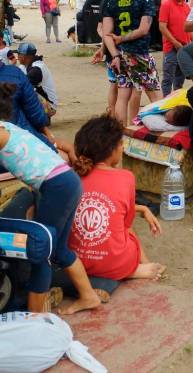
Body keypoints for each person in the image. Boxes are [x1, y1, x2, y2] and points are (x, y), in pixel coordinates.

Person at [0, 82, 105, 313]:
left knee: (41, 249)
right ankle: (88, 296)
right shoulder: (8, 128)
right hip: (67, 182)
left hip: (56, 186)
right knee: (57, 249)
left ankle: (37, 318)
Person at [69, 115, 166, 281]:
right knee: (125, 228)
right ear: (112, 149)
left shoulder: (72, 176)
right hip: (114, 264)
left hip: (75, 263)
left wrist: (142, 208)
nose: (123, 148)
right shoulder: (126, 177)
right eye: (121, 143)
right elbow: (124, 223)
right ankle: (138, 268)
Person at [102, 0, 162, 125]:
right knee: (156, 96)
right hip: (139, 54)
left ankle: (122, 134)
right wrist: (122, 38)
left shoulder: (113, 0)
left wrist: (114, 52)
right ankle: (158, 130)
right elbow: (143, 30)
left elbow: (106, 33)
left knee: (123, 96)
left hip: (121, 55)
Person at [158, 0, 192, 96]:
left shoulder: (187, 7)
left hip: (184, 48)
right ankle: (165, 102)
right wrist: (175, 43)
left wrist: (191, 43)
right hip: (171, 48)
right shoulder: (166, 6)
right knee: (168, 78)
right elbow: (162, 27)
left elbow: (190, 27)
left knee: (180, 79)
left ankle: (176, 103)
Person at [16, 42, 58, 116]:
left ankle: (40, 119)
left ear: (24, 56)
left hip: (49, 106)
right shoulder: (24, 66)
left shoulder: (37, 69)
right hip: (43, 100)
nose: (17, 56)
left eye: (19, 54)